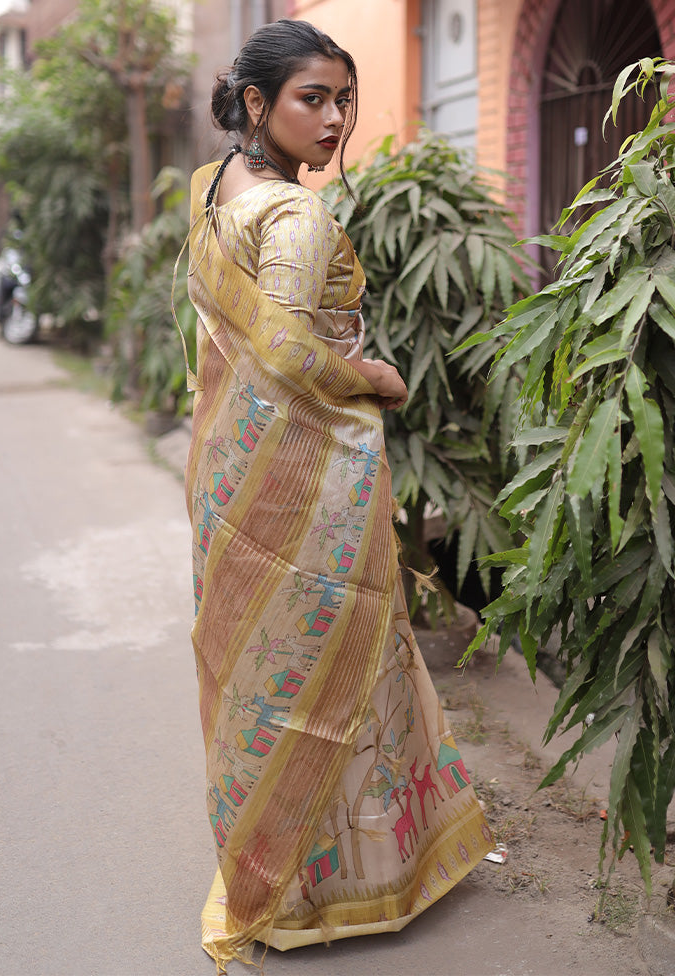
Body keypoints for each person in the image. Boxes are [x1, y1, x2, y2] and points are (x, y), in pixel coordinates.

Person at [180, 19, 493, 973]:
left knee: (263, 673)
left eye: (342, 100)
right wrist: (382, 381)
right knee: (331, 667)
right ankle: (328, 887)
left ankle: (272, 867)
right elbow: (283, 349)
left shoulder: (211, 192)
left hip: (232, 474)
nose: (333, 118)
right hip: (312, 476)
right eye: (312, 98)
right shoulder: (294, 216)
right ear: (255, 104)